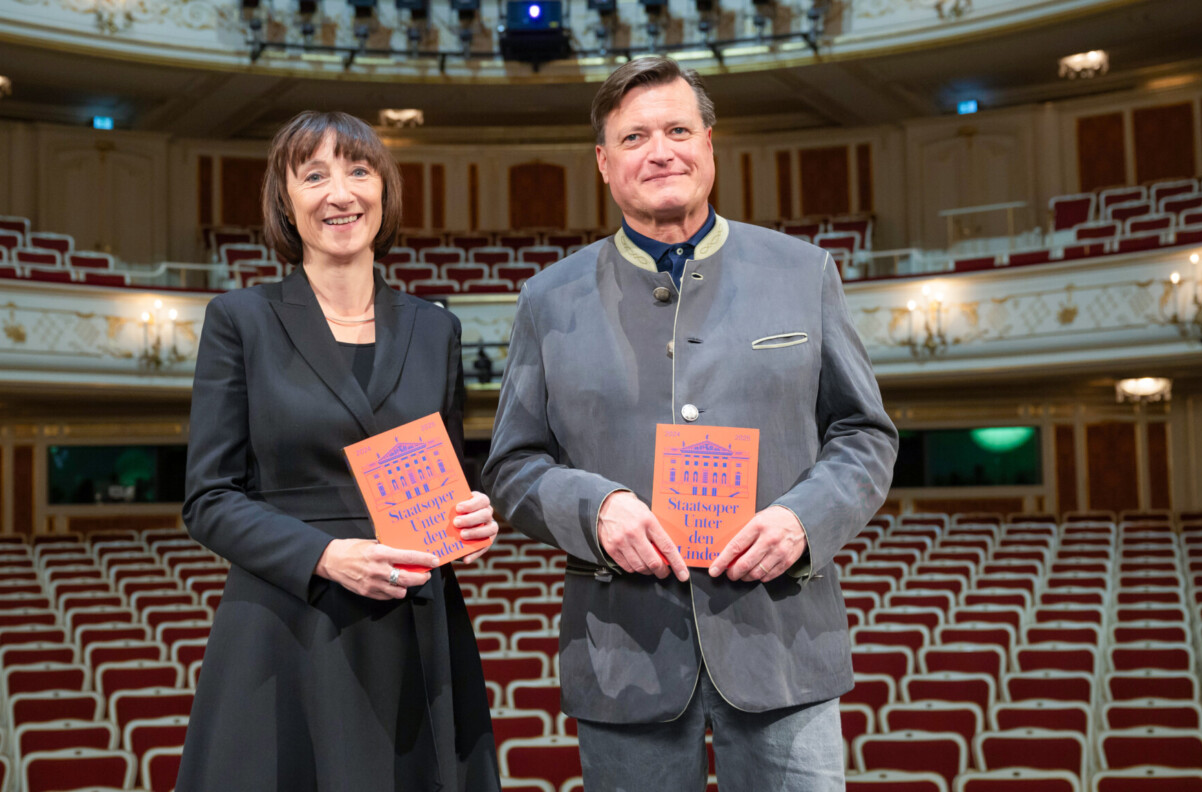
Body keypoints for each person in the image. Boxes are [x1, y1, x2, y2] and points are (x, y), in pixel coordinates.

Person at [482, 56, 897, 792]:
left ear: (710, 144)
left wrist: (804, 521)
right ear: (605, 165)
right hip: (624, 654)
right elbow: (512, 465)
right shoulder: (547, 300)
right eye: (635, 137)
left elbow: (865, 435)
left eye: (678, 129)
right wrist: (595, 509)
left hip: (783, 644)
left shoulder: (804, 272)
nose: (661, 150)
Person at [177, 110, 501, 792]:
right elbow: (208, 498)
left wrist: (472, 521)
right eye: (315, 175)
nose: (341, 192)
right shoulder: (241, 321)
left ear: (384, 190)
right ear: (286, 201)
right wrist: (325, 556)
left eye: (359, 170)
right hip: (289, 625)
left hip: (417, 625)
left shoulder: (435, 327)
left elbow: (452, 474)